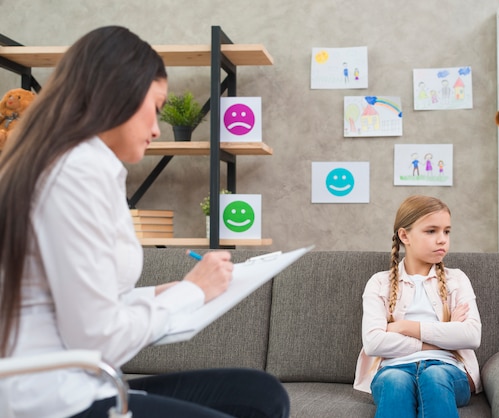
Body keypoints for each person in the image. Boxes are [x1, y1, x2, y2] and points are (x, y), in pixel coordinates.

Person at [0, 26, 289, 418]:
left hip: (86, 381)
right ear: (115, 96)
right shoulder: (74, 174)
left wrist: (162, 293)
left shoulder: (82, 165)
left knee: (260, 393)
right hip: (59, 399)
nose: (157, 127)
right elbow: (100, 340)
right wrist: (191, 292)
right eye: (155, 107)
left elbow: (81, 303)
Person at [353, 195, 481, 418]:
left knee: (434, 377)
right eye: (431, 231)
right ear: (404, 235)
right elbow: (374, 343)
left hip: (448, 370)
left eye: (446, 231)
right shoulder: (379, 283)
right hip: (393, 369)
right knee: (396, 380)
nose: (442, 239)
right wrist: (444, 335)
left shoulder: (457, 280)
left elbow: (471, 336)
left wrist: (403, 326)